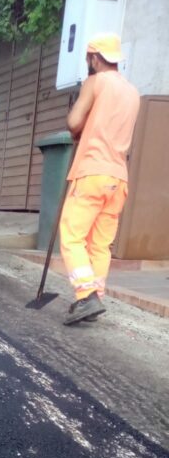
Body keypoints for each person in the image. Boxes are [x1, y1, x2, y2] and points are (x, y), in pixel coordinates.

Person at [60, 33, 140, 325]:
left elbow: (73, 123)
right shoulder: (132, 92)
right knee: (100, 244)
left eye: (88, 60)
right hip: (118, 178)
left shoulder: (95, 82)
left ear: (94, 58)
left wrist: (79, 117)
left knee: (71, 235)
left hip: (92, 171)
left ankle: (85, 295)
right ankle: (94, 297)